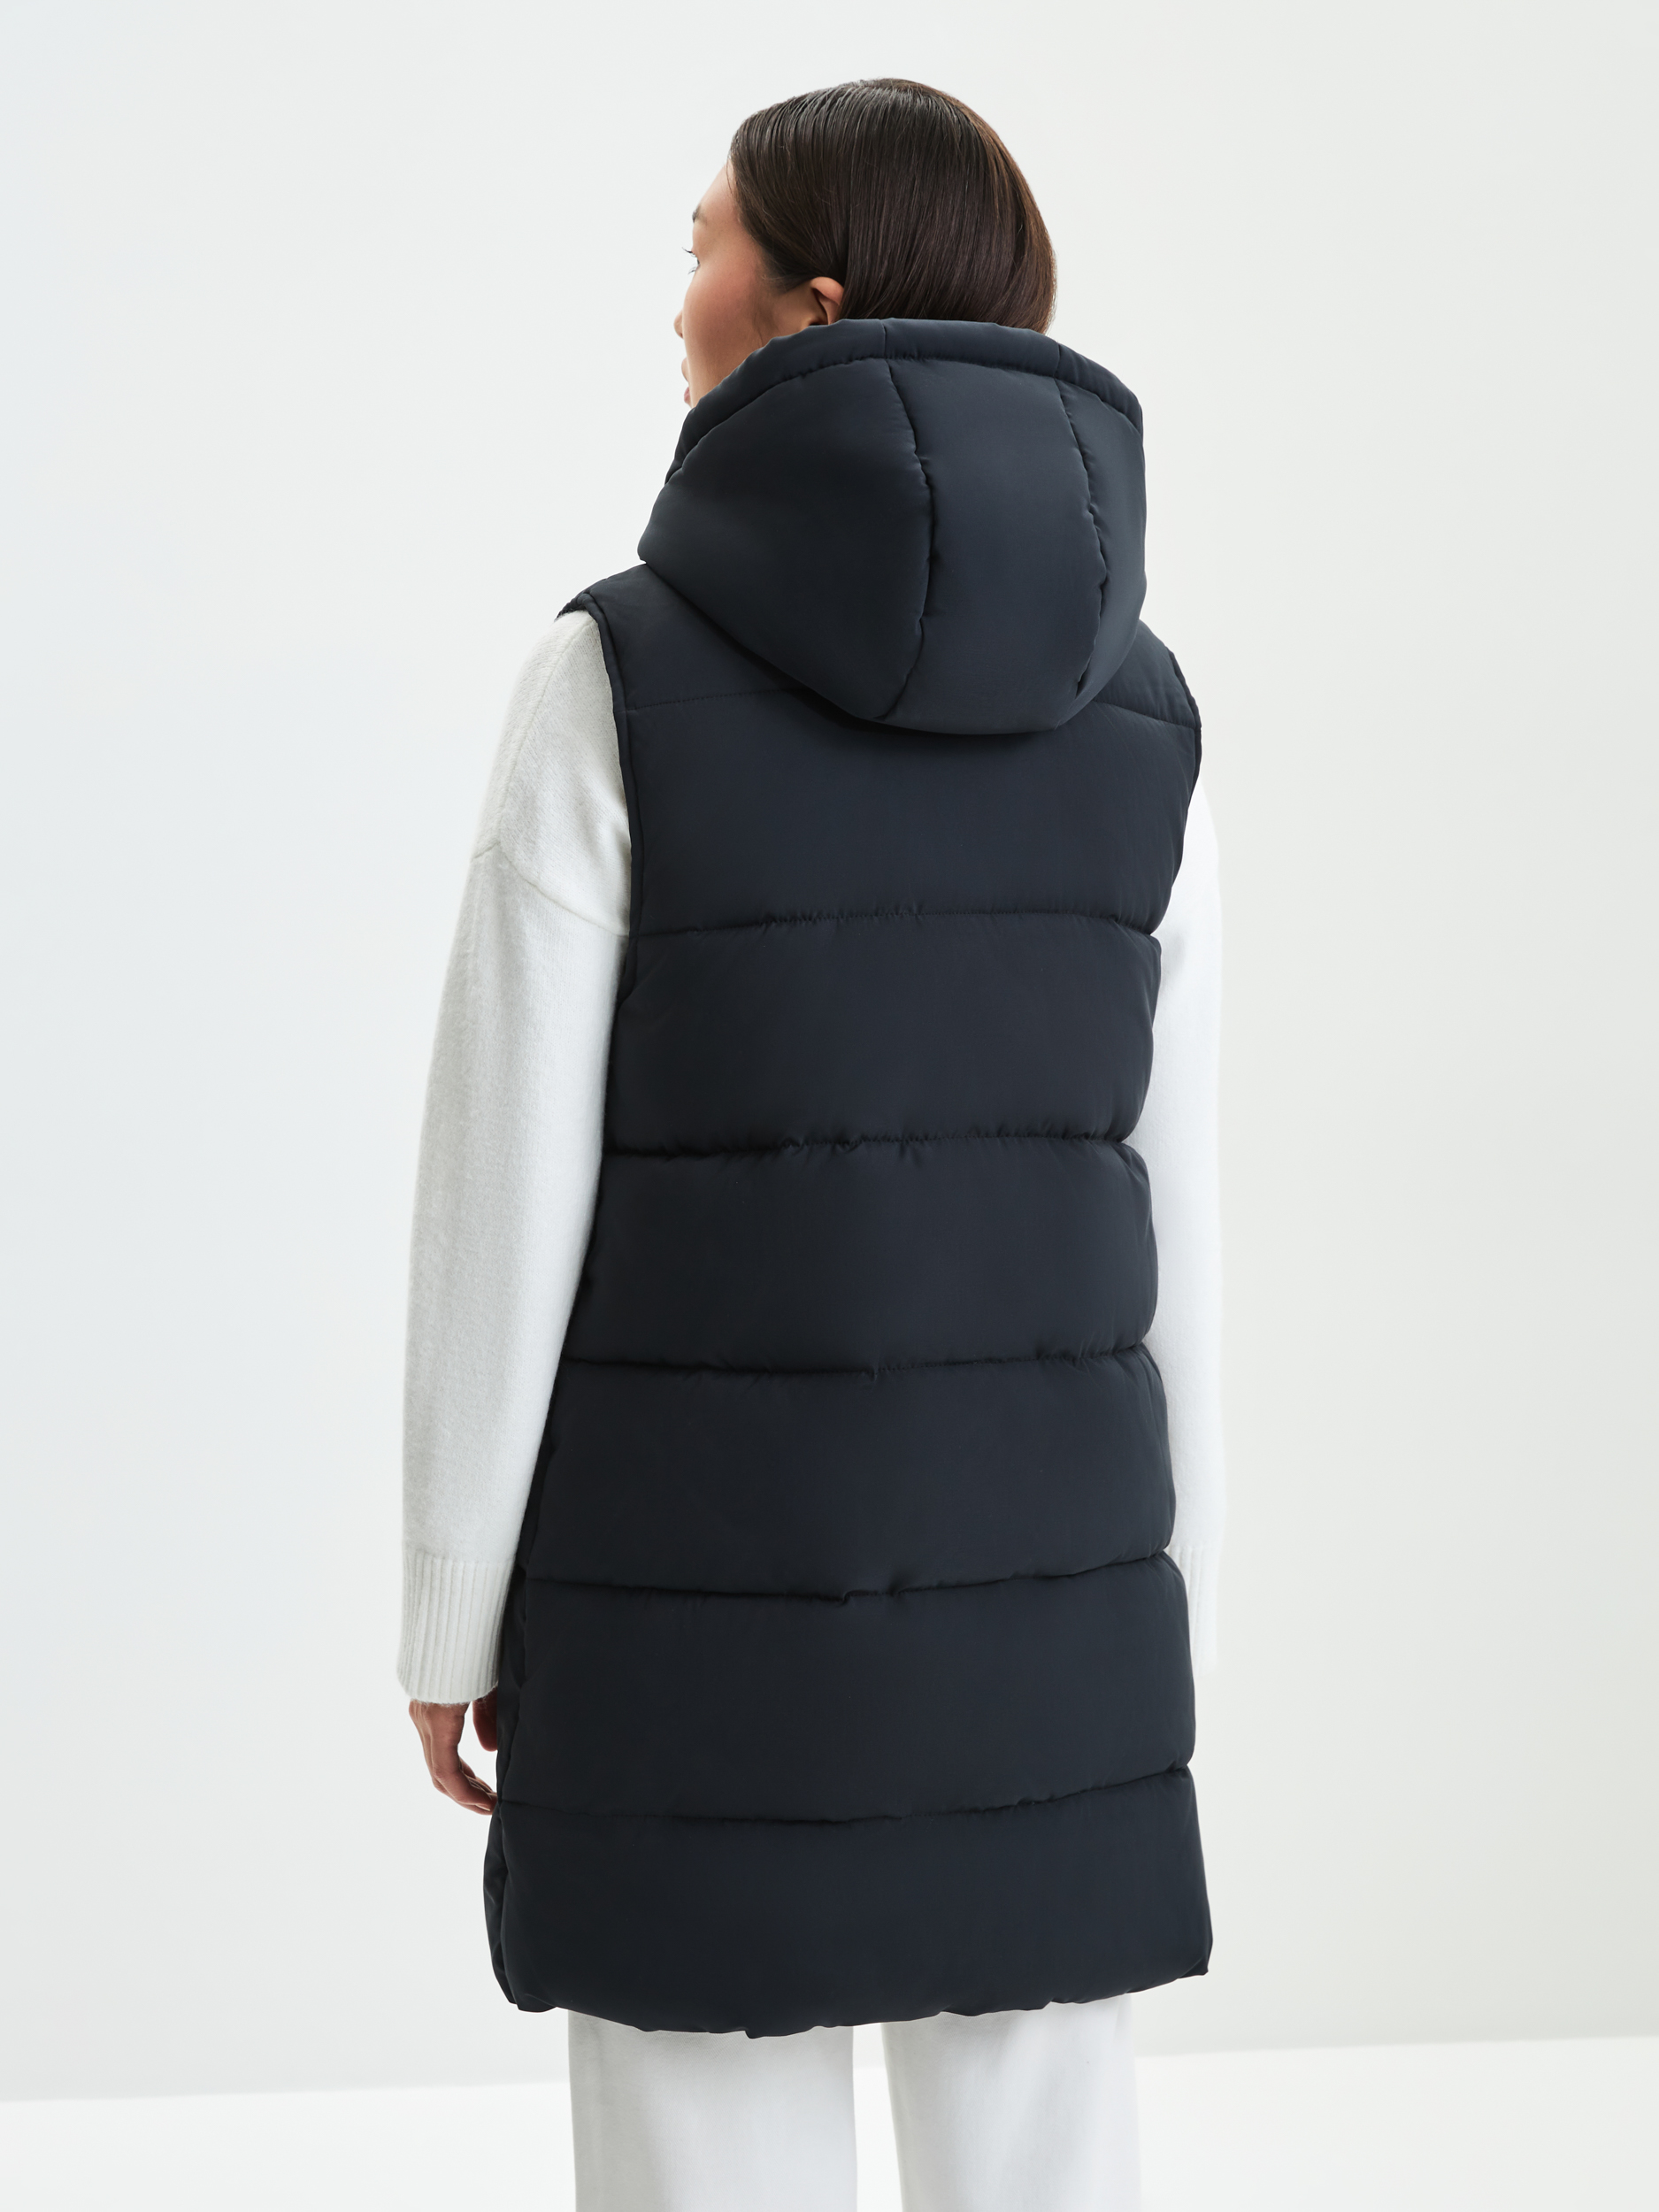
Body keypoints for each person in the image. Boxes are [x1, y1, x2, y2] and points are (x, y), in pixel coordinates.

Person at [400, 78, 1225, 2212]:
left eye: (701, 246)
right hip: (1046, 1625)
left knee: (701, 2144)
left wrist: (446, 1613)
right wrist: (1166, 1607)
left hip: (682, 1624)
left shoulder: (611, 675)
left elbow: (502, 1187)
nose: (673, 297)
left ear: (811, 308)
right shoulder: (1142, 710)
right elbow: (1168, 1202)